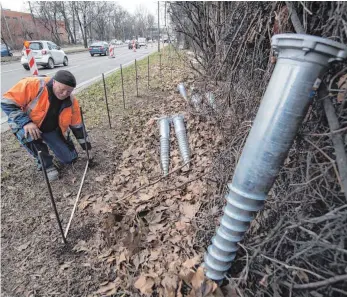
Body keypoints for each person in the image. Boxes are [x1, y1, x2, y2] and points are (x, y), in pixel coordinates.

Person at [1, 70, 92, 181]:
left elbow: (78, 127)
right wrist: (26, 122)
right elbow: (6, 102)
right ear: (54, 82)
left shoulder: (72, 102)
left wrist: (87, 149)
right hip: (26, 125)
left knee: (70, 159)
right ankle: (46, 165)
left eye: (68, 91)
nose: (64, 94)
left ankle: (59, 151)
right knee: (30, 135)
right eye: (61, 89)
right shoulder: (33, 84)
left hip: (50, 129)